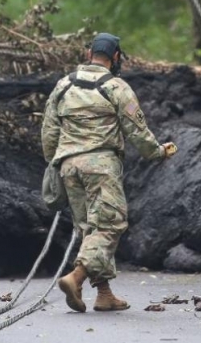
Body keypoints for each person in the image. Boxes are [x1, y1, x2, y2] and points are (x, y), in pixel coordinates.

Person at [41, 32, 177, 312]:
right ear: (115, 57)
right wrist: (158, 152)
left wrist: (56, 163)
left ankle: (104, 295)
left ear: (89, 53)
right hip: (101, 166)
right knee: (109, 225)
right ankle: (75, 277)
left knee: (90, 230)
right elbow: (137, 130)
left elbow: (49, 132)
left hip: (69, 167)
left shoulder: (63, 86)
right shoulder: (117, 88)